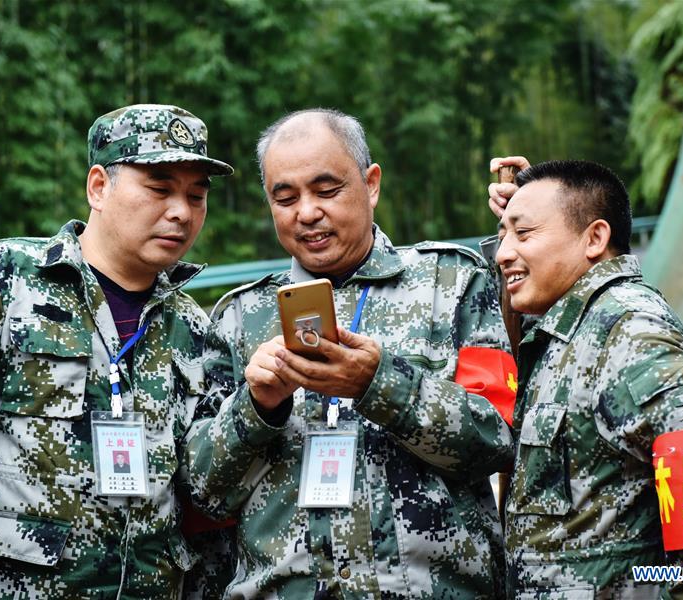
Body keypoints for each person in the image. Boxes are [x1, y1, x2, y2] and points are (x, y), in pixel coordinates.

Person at [0, 104, 234, 598]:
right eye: (159, 189)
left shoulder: (193, 329)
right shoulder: (2, 283)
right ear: (98, 187)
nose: (180, 211)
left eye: (196, 195)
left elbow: (206, 499)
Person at [181, 108, 516, 598]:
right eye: (285, 197)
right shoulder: (238, 316)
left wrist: (379, 383)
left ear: (371, 184)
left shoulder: (451, 282)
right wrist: (256, 408)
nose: (307, 212)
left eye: (327, 189)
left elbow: (496, 438)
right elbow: (203, 495)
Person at [489, 158, 683, 597]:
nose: (503, 253)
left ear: (595, 237)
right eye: (504, 236)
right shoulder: (568, 329)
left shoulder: (628, 330)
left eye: (523, 234)